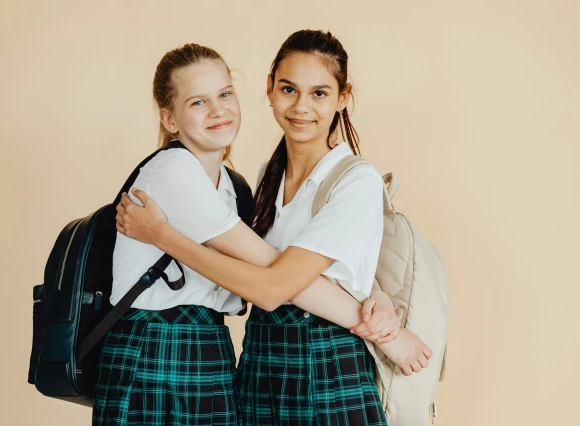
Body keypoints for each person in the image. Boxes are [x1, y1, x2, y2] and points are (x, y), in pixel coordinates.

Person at [116, 30, 432, 425]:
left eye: (319, 93)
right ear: (269, 89)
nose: (301, 107)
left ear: (342, 98)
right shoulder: (265, 177)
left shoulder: (355, 180)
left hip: (325, 358)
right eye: (288, 89)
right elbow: (269, 276)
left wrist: (377, 302)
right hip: (260, 357)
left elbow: (274, 281)